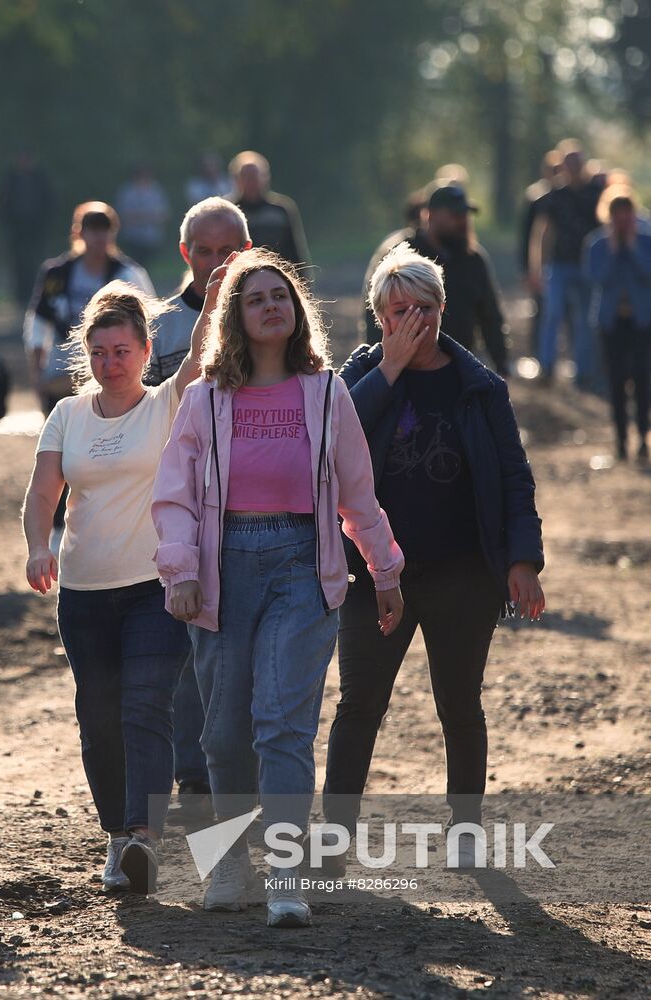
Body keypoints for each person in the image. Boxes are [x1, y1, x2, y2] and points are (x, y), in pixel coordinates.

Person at [151, 249, 406, 928]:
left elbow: (357, 493)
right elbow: (173, 495)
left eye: (281, 296)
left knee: (282, 726)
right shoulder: (205, 399)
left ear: (296, 315)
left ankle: (286, 871)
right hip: (220, 569)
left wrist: (383, 571)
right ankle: (229, 865)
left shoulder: (326, 394)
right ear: (235, 316)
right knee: (224, 735)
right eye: (255, 298)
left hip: (302, 566)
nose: (270, 305)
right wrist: (178, 571)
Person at [323, 242, 545, 874]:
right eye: (396, 311)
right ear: (378, 317)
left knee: (459, 702)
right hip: (374, 571)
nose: (411, 322)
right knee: (360, 702)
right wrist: (389, 371)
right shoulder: (355, 380)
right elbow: (334, 448)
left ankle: (466, 830)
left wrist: (521, 559)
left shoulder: (480, 387)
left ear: (443, 310)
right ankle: (335, 838)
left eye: (423, 308)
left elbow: (513, 478)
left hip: (462, 574)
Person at [21, 274, 210, 896]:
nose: (110, 363)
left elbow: (202, 355)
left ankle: (142, 838)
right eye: (99, 352)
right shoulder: (67, 414)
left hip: (156, 588)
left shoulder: (166, 404)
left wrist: (214, 301)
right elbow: (43, 492)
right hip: (82, 592)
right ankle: (115, 839)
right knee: (98, 715)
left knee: (146, 706)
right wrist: (37, 545)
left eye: (122, 351)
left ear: (145, 350)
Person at [143, 198, 252, 814]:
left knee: (245, 648)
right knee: (186, 647)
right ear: (186, 253)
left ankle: (244, 771)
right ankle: (194, 776)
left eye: (228, 251)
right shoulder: (160, 327)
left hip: (252, 508)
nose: (216, 263)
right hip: (179, 506)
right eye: (204, 251)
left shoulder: (272, 317)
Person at [25, 202, 153, 539]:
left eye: (103, 229)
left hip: (113, 370)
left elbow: (148, 321)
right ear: (78, 232)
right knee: (63, 448)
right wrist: (36, 367)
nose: (97, 237)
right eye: (90, 229)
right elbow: (38, 321)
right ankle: (57, 526)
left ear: (112, 233)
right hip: (61, 372)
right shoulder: (57, 273)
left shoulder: (128, 274)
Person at [364, 183, 510, 375]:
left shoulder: (473, 260)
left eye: (465, 215)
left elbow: (490, 315)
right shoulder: (402, 255)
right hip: (405, 367)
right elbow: (377, 310)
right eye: (454, 215)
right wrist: (379, 364)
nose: (462, 222)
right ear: (430, 215)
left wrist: (501, 362)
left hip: (457, 366)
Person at [586, 186, 651, 462]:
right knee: (616, 381)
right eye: (617, 215)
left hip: (642, 321)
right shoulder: (597, 244)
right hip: (611, 323)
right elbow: (598, 279)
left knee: (643, 379)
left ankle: (644, 437)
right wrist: (612, 249)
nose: (622, 221)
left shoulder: (647, 240)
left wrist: (631, 246)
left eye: (627, 215)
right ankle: (621, 440)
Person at [530, 144, 602, 386]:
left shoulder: (595, 193)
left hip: (587, 265)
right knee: (554, 314)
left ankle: (584, 370)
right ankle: (547, 365)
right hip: (559, 264)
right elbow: (544, 231)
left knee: (585, 318)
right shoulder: (555, 195)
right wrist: (538, 266)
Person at [228, 151, 310, 267]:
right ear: (237, 179)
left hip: (278, 277)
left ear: (265, 177)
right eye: (246, 177)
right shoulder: (229, 211)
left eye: (254, 176)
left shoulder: (281, 210)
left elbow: (295, 251)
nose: (251, 182)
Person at [520, 152, 562, 358]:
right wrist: (528, 268)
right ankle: (535, 353)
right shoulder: (537, 198)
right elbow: (527, 235)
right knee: (540, 311)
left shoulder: (567, 197)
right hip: (540, 263)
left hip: (557, 263)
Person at [1, 149, 55, 307]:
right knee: (18, 260)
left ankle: (34, 292)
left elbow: (49, 202)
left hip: (35, 229)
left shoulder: (40, 179)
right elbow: (3, 203)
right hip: (17, 229)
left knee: (35, 260)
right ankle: (20, 294)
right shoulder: (11, 179)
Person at [114, 165, 172, 269]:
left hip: (152, 237)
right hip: (133, 237)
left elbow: (164, 213)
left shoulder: (155, 191)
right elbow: (125, 215)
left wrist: (141, 216)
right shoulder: (128, 192)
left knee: (147, 266)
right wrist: (148, 215)